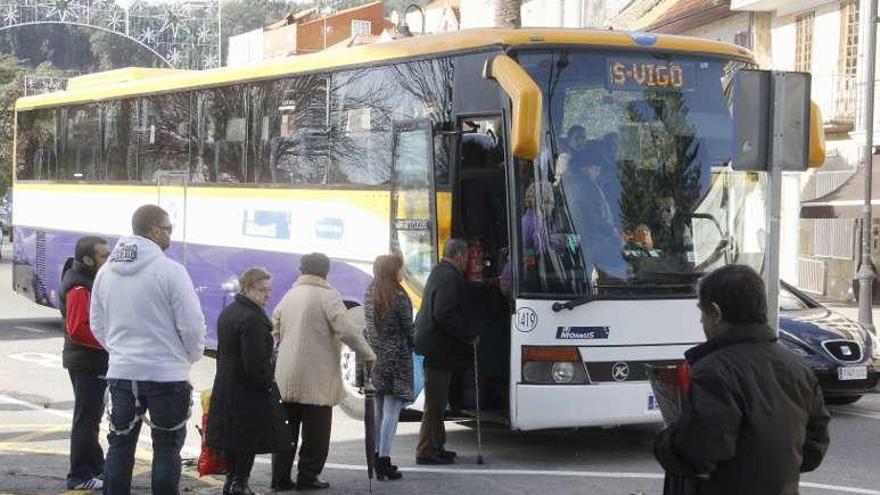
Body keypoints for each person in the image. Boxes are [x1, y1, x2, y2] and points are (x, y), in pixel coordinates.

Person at [654, 265, 830, 495]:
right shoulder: (798, 367)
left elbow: (698, 452)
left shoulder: (713, 372)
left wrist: (665, 439)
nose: (701, 321)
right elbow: (814, 447)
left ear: (715, 313)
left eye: (702, 313)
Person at [90, 204, 206, 495]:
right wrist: (186, 358)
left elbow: (97, 324)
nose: (171, 234)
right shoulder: (171, 271)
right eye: (168, 228)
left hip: (122, 375)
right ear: (154, 231)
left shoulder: (106, 273)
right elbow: (192, 325)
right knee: (167, 450)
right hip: (167, 377)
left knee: (119, 448)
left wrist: (118, 353)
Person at [271, 253, 376, 491]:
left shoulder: (290, 295)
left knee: (287, 429)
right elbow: (348, 331)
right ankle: (308, 476)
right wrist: (369, 355)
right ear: (326, 272)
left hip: (286, 375)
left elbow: (275, 328)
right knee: (316, 433)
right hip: (316, 376)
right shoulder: (329, 297)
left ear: (302, 270)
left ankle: (280, 478)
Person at [206, 268, 292, 495]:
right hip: (248, 390)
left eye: (269, 290)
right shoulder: (253, 318)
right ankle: (239, 484)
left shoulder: (230, 311)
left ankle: (232, 482)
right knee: (247, 439)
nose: (267, 295)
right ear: (246, 288)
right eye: (261, 290)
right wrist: (266, 384)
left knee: (234, 439)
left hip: (227, 383)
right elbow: (254, 363)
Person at [413, 239, 477, 465]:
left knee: (439, 402)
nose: (467, 262)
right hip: (439, 349)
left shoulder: (440, 272)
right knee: (435, 403)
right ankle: (427, 450)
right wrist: (467, 333)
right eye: (466, 257)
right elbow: (444, 312)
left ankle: (437, 445)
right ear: (459, 256)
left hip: (435, 347)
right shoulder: (450, 277)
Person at [60, 236, 110, 491]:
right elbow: (78, 329)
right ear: (89, 260)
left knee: (91, 418)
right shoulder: (79, 287)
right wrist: (110, 344)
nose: (109, 259)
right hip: (87, 362)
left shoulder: (87, 279)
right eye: (103, 256)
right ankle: (80, 475)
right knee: (86, 419)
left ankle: (96, 466)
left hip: (88, 360)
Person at [363, 254, 413, 481]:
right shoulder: (399, 295)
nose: (404, 272)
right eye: (401, 268)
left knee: (379, 410)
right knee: (392, 412)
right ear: (394, 271)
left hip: (375, 358)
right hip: (396, 359)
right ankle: (384, 459)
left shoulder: (369, 292)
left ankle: (375, 456)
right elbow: (409, 329)